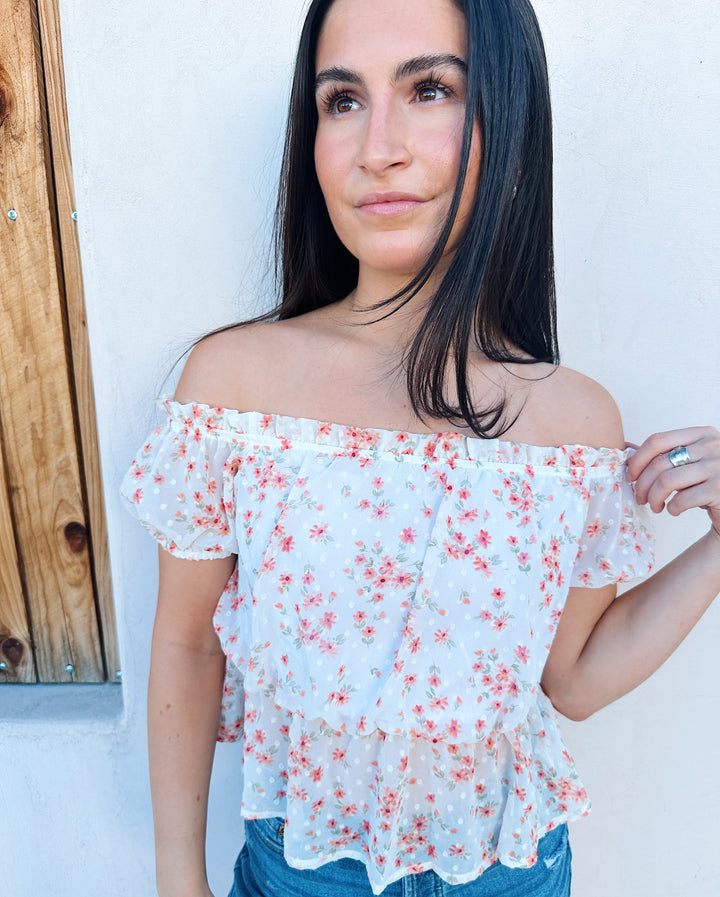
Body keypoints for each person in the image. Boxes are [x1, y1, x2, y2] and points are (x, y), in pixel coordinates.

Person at [121, 0, 720, 895]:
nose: (378, 148)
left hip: (516, 870)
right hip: (302, 870)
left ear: (507, 120)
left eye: (430, 88)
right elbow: (185, 645)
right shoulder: (234, 388)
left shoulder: (572, 422)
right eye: (342, 101)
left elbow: (577, 678)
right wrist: (180, 879)